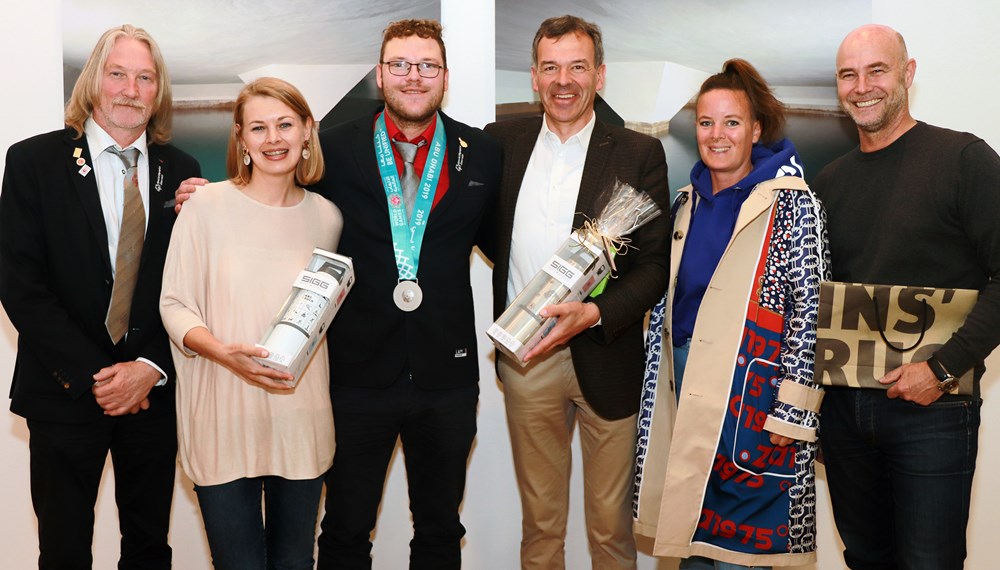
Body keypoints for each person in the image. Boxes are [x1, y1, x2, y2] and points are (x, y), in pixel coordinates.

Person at [175, 18, 501, 569]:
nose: (413, 76)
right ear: (380, 73)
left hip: (447, 376)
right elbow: (273, 198)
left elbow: (502, 244)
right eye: (399, 64)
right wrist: (210, 192)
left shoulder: (483, 154)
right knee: (346, 530)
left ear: (445, 77)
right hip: (354, 378)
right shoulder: (339, 146)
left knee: (442, 528)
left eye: (427, 66)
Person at [0, 24, 200, 569]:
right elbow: (20, 283)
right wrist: (100, 376)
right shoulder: (32, 162)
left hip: (152, 396)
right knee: (63, 552)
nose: (130, 90)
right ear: (93, 82)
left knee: (149, 548)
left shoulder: (183, 173)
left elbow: (188, 287)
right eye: (117, 74)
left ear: (157, 92)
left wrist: (148, 368)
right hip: (63, 391)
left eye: (144, 77)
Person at [483, 15, 670, 569]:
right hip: (527, 358)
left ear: (600, 74)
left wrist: (592, 312)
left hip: (606, 354)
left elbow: (654, 266)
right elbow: (475, 226)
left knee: (611, 529)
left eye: (578, 67)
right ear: (535, 78)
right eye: (550, 67)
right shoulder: (501, 143)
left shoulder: (638, 152)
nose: (564, 80)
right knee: (541, 527)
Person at [813, 24, 1000, 569]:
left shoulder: (964, 160)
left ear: (907, 73)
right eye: (849, 74)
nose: (862, 86)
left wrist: (942, 367)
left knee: (930, 562)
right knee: (867, 560)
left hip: (935, 410)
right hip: (845, 412)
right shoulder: (829, 182)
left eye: (877, 70)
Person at [632, 58, 829, 569]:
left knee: (744, 549)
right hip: (684, 391)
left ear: (756, 129)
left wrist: (794, 409)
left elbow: (812, 311)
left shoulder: (794, 205)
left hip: (754, 399)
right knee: (691, 535)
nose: (717, 135)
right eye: (705, 122)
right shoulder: (682, 203)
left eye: (732, 122)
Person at [159, 77, 340, 570]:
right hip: (221, 414)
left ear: (307, 131)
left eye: (285, 124)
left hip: (298, 418)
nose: (273, 139)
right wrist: (222, 352)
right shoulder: (204, 207)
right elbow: (174, 305)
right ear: (241, 139)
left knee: (295, 565)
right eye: (258, 128)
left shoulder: (327, 217)